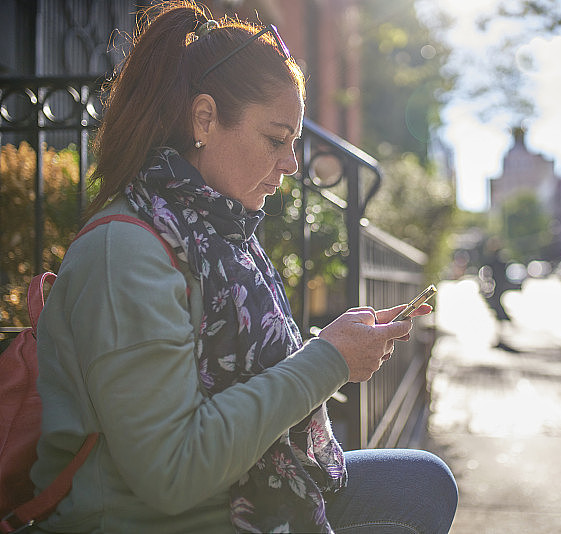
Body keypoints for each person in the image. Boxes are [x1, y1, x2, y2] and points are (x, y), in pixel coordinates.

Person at [30, 2, 457, 533]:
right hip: (167, 518)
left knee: (424, 484)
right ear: (204, 119)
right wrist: (328, 361)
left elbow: (250, 372)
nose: (291, 163)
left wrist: (341, 347)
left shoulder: (216, 231)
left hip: (242, 494)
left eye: (295, 142)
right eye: (276, 139)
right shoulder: (125, 253)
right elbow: (172, 473)